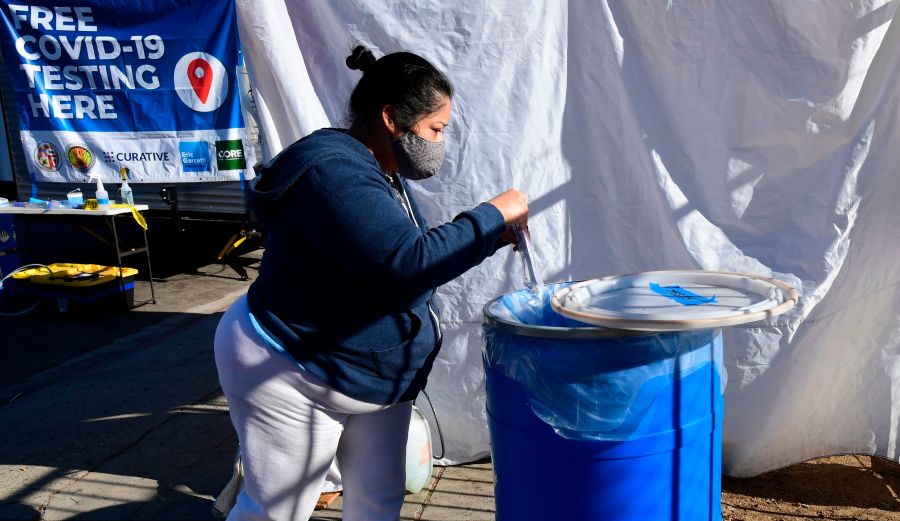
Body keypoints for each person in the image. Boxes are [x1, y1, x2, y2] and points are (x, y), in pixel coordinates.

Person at [213, 45, 528, 521]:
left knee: (378, 502)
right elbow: (407, 263)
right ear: (390, 118)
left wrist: (488, 238)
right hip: (291, 367)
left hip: (368, 374)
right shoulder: (334, 171)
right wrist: (491, 215)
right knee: (276, 511)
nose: (440, 143)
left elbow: (395, 263)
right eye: (435, 129)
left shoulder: (378, 169)